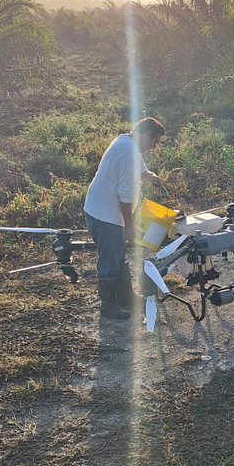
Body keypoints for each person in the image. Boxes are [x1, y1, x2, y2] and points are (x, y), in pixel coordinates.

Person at [84, 117, 165, 319]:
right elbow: (125, 196)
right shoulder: (128, 152)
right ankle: (108, 306)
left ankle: (127, 297)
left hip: (100, 210)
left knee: (119, 255)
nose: (156, 147)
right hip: (105, 215)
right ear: (147, 135)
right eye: (156, 141)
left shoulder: (126, 143)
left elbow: (142, 173)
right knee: (111, 260)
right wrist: (129, 227)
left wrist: (152, 178)